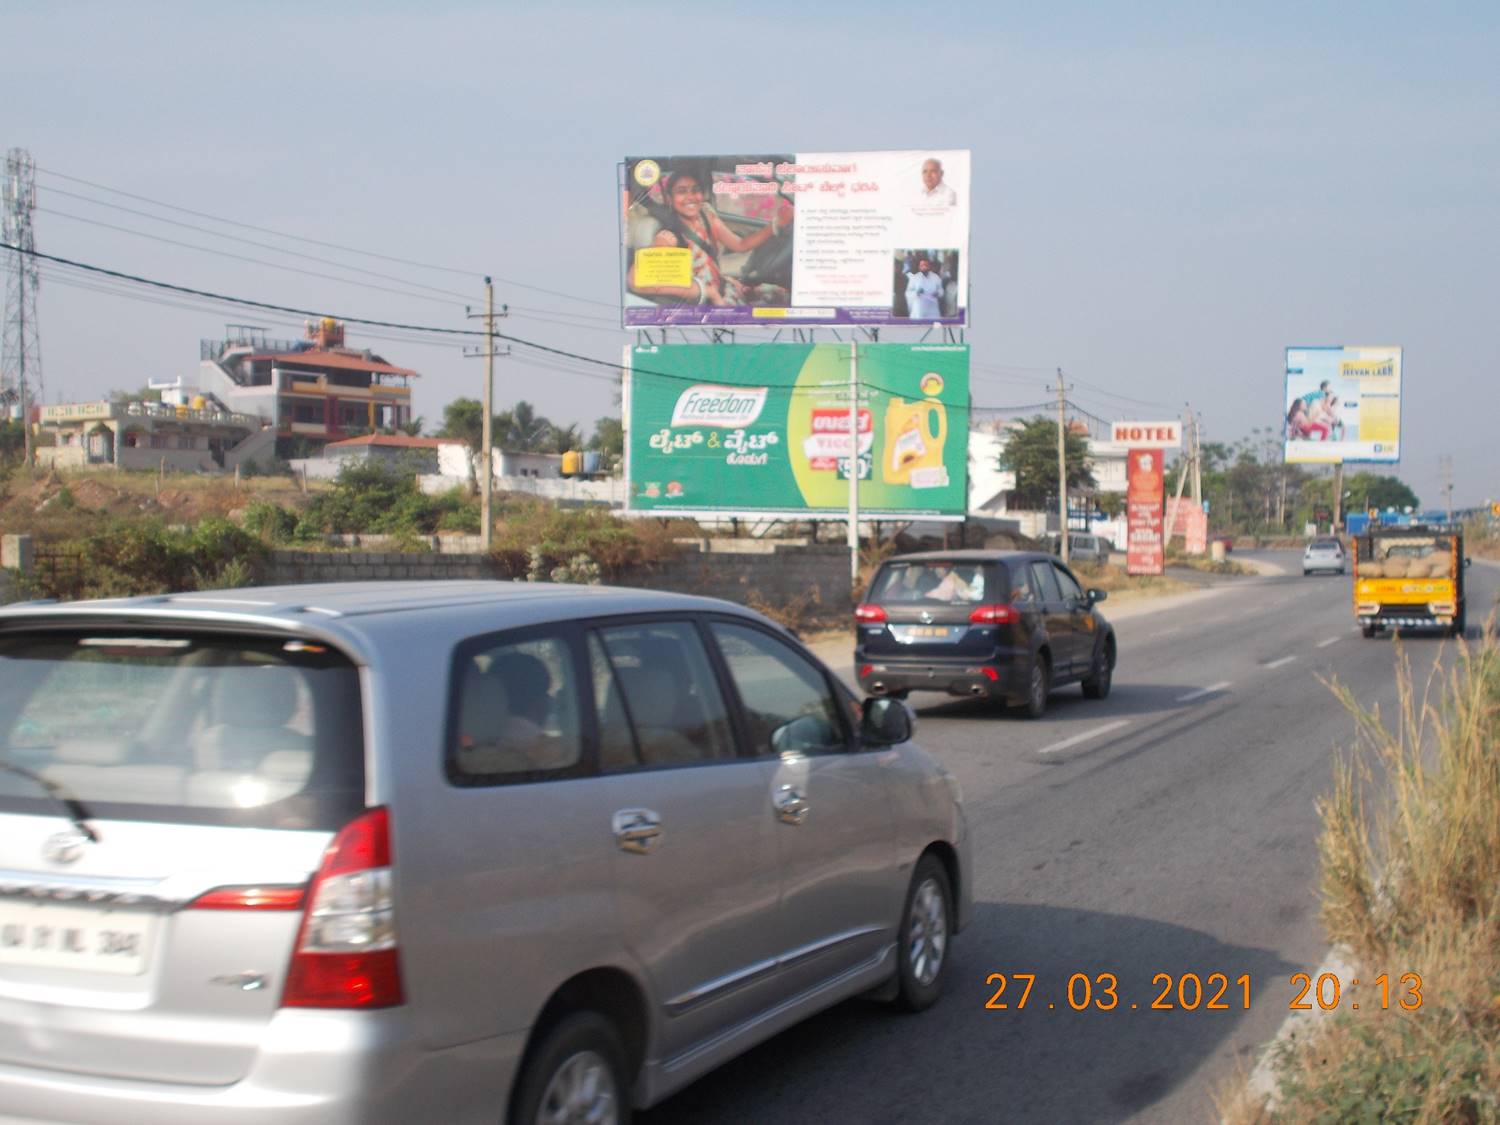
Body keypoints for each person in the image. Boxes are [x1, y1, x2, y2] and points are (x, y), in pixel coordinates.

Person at [627, 168, 792, 306]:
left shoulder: (706, 216)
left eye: (695, 190)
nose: (690, 197)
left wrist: (776, 224)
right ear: (670, 198)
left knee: (783, 296)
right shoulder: (669, 237)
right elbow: (635, 281)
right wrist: (702, 291)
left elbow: (740, 244)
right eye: (681, 191)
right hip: (714, 305)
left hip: (729, 289)